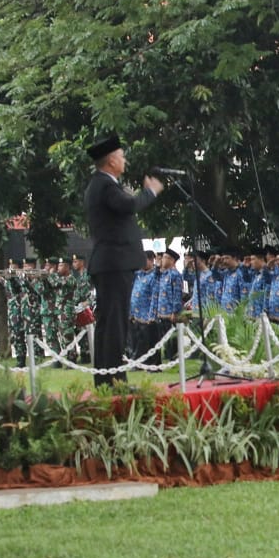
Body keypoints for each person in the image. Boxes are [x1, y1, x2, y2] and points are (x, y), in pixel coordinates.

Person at [83, 135, 163, 386]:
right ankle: (114, 380)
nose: (125, 160)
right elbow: (129, 205)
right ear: (111, 162)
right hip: (114, 263)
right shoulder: (106, 186)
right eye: (122, 156)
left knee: (109, 323)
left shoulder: (101, 185)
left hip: (110, 263)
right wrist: (149, 192)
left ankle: (106, 379)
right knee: (115, 323)